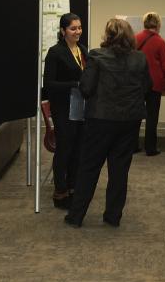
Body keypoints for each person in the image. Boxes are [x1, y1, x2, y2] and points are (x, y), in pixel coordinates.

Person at [64, 18, 151, 228]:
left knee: (89, 167)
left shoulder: (96, 55)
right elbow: (148, 86)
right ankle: (113, 216)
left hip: (100, 120)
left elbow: (86, 88)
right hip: (129, 120)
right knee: (119, 169)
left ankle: (76, 216)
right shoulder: (139, 58)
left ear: (108, 36)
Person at [43, 13, 87, 209]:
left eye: (79, 27)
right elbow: (49, 85)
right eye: (73, 28)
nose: (77, 31)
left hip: (80, 107)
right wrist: (74, 84)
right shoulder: (55, 52)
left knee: (78, 148)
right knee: (64, 149)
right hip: (62, 108)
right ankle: (60, 192)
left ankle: (73, 187)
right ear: (63, 31)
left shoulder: (83, 50)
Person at [135, 12, 165, 156]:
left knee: (135, 115)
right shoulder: (160, 42)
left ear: (144, 23)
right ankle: (150, 147)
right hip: (154, 84)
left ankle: (134, 145)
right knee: (152, 116)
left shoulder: (135, 39)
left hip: (137, 83)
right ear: (158, 25)